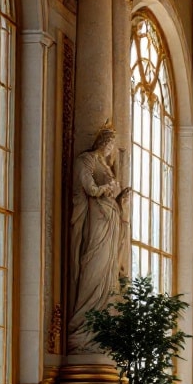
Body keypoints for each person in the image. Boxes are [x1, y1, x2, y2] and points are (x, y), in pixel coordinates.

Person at [67, 128, 131, 352]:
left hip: (110, 219)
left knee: (108, 271)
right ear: (102, 141)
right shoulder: (87, 160)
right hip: (96, 220)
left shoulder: (106, 165)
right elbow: (89, 188)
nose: (111, 148)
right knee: (94, 265)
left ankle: (101, 325)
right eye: (110, 143)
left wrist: (120, 200)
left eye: (114, 144)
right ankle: (86, 326)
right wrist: (105, 189)